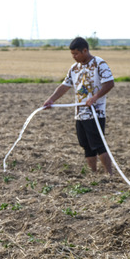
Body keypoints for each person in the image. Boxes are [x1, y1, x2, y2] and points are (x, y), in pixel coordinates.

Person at [43, 37, 115, 175]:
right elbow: (65, 86)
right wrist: (51, 99)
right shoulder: (74, 68)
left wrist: (94, 98)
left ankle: (109, 174)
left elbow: (109, 83)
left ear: (85, 50)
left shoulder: (99, 64)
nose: (74, 57)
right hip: (80, 114)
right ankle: (93, 174)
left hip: (95, 112)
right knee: (86, 146)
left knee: (98, 145)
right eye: (72, 54)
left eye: (76, 54)